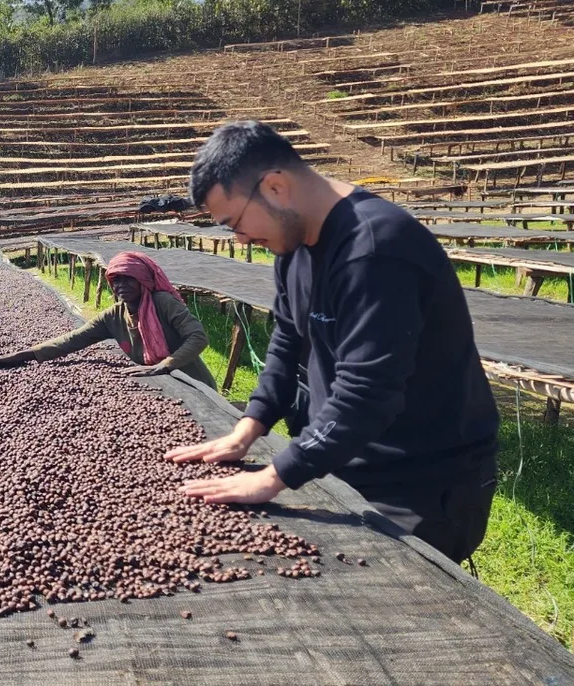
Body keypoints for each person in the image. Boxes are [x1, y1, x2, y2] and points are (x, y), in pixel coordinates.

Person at [167, 121, 499, 564]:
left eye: (236, 223)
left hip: (419, 481)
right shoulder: (293, 248)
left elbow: (368, 392)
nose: (240, 238)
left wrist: (273, 476)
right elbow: (286, 342)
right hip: (346, 459)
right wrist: (249, 428)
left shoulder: (376, 250)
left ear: (275, 187)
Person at [0, 251, 217, 390]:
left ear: (143, 281)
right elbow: (73, 340)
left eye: (129, 280)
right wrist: (25, 355)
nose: (121, 286)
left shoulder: (163, 302)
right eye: (116, 281)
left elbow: (198, 337)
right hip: (160, 387)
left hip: (193, 384)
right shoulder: (114, 316)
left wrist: (165, 364)